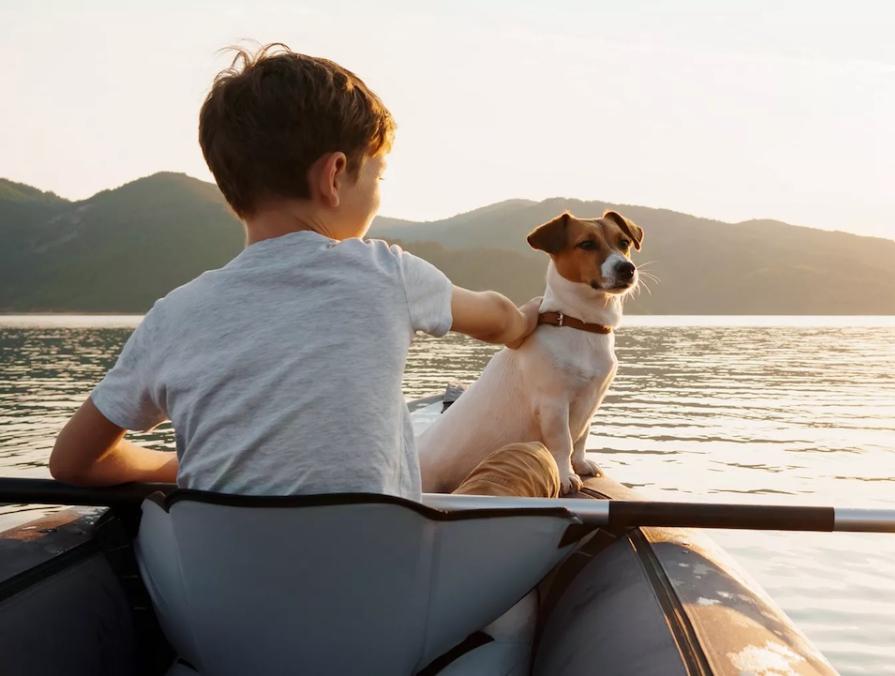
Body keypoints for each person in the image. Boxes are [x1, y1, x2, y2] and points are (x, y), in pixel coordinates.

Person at [48, 43, 560, 500]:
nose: (380, 192)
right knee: (530, 460)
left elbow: (72, 462)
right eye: (379, 174)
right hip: (382, 591)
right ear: (334, 176)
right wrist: (524, 322)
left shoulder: (172, 316)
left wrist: (173, 467)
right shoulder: (387, 272)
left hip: (213, 601)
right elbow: (494, 318)